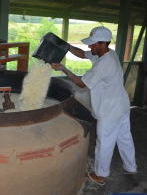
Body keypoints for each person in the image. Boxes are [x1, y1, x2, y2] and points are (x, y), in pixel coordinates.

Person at [51, 26, 137, 185]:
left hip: (110, 109)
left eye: (93, 44)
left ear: (103, 43)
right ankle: (130, 167)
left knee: (104, 142)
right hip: (121, 104)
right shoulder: (107, 53)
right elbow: (83, 54)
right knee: (124, 137)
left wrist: (63, 68)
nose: (90, 47)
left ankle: (100, 175)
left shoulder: (104, 63)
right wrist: (67, 46)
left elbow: (81, 83)